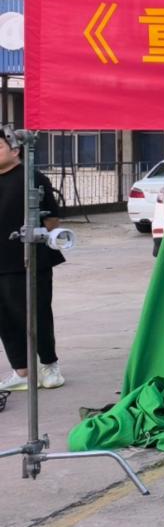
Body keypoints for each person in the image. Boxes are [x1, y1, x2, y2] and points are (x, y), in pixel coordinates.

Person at [0, 132, 66, 391]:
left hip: (29, 261)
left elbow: (52, 220)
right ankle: (22, 371)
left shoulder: (33, 178)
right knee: (5, 319)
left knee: (35, 315)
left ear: (15, 150)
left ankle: (49, 366)